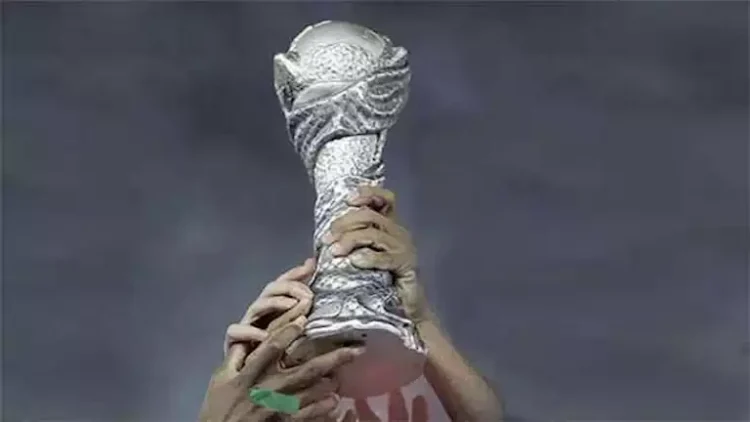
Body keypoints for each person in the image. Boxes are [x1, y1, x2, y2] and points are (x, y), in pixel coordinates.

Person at [201, 186, 503, 421]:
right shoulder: (302, 392)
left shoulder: (398, 364)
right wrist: (247, 397)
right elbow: (280, 406)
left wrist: (419, 320)